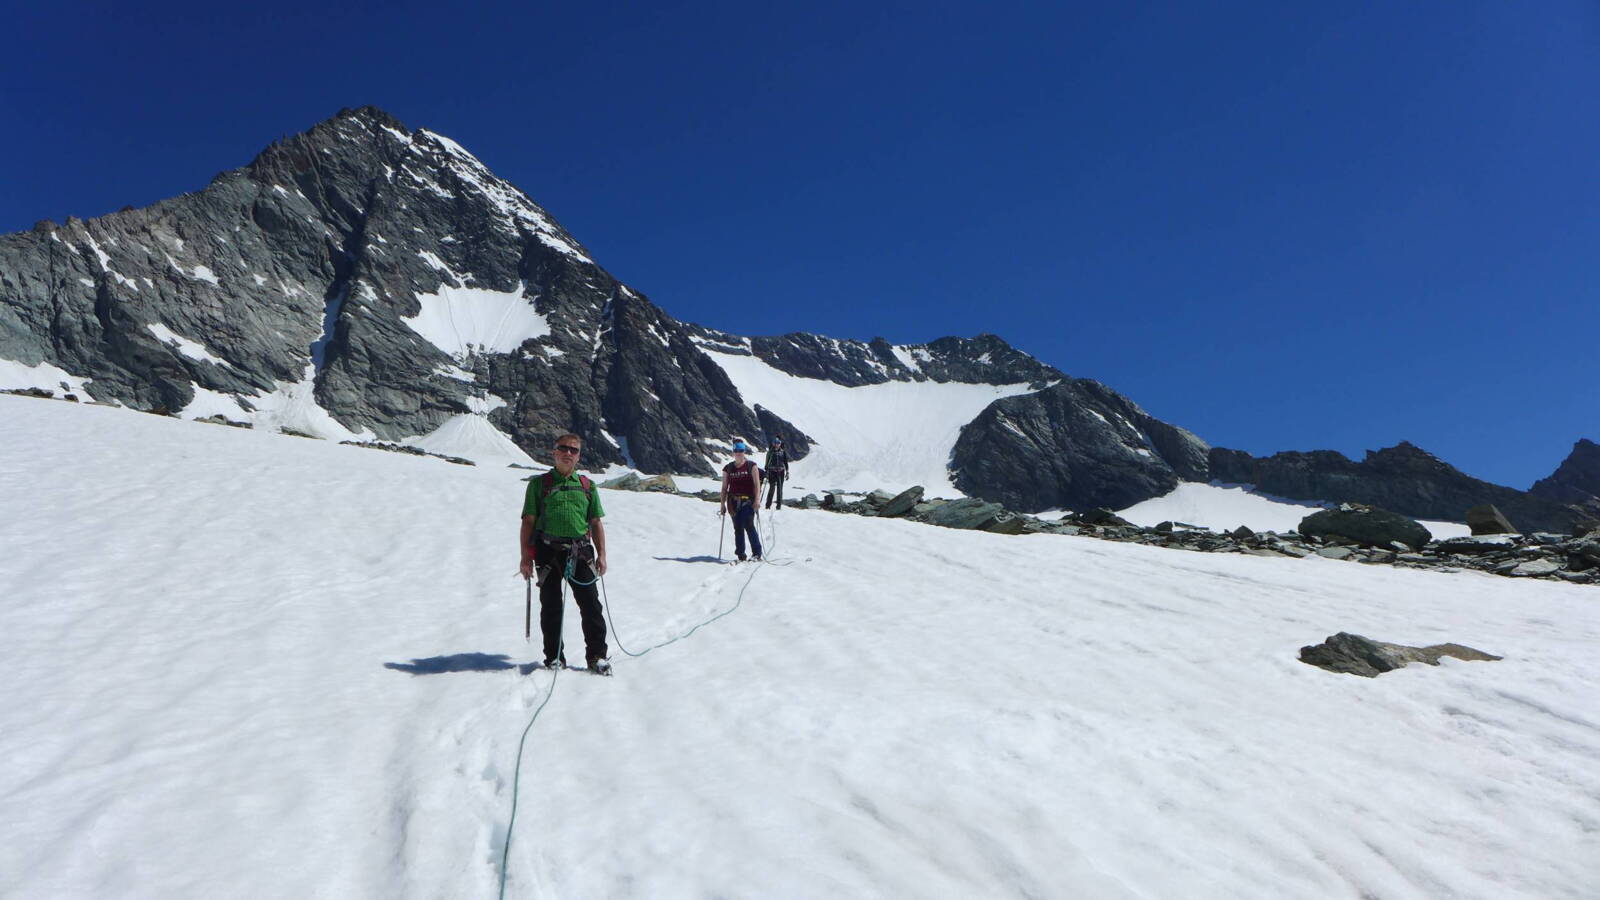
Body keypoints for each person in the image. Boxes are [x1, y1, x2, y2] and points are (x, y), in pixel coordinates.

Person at [519, 434, 611, 675]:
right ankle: (554, 657)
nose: (568, 453)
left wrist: (602, 555)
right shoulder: (539, 485)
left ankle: (597, 655)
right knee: (551, 606)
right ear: (554, 451)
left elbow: (595, 522)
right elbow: (528, 522)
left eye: (573, 450)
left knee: (591, 605)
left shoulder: (587, 486)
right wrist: (525, 557)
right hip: (547, 552)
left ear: (579, 456)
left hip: (581, 552)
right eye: (563, 448)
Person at [720, 440, 764, 561]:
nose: (738, 453)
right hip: (733, 502)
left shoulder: (752, 466)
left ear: (744, 452)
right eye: (736, 450)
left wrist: (757, 500)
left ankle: (757, 553)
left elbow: (756, 484)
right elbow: (724, 488)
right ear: (733, 452)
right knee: (738, 527)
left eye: (741, 450)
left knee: (749, 525)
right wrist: (722, 505)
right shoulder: (728, 468)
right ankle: (741, 555)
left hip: (748, 501)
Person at [763, 437, 789, 510]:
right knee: (772, 489)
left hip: (781, 472)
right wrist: (766, 471)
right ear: (773, 443)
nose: (777, 444)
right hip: (772, 472)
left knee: (780, 489)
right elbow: (767, 462)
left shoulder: (783, 452)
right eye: (775, 443)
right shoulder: (770, 452)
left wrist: (787, 471)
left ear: (780, 444)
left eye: (778, 443)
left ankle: (778, 506)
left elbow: (786, 462)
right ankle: (768, 506)